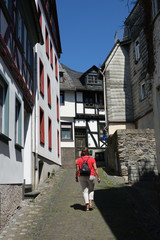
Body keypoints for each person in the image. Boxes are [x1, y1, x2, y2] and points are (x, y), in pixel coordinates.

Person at [75, 147, 100, 211]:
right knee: (91, 190)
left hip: (82, 176)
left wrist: (76, 177)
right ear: (88, 152)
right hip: (91, 176)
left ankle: (87, 206)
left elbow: (77, 170)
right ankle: (91, 203)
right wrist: (98, 177)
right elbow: (95, 168)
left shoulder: (79, 159)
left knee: (85, 191)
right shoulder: (92, 159)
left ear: (82, 152)